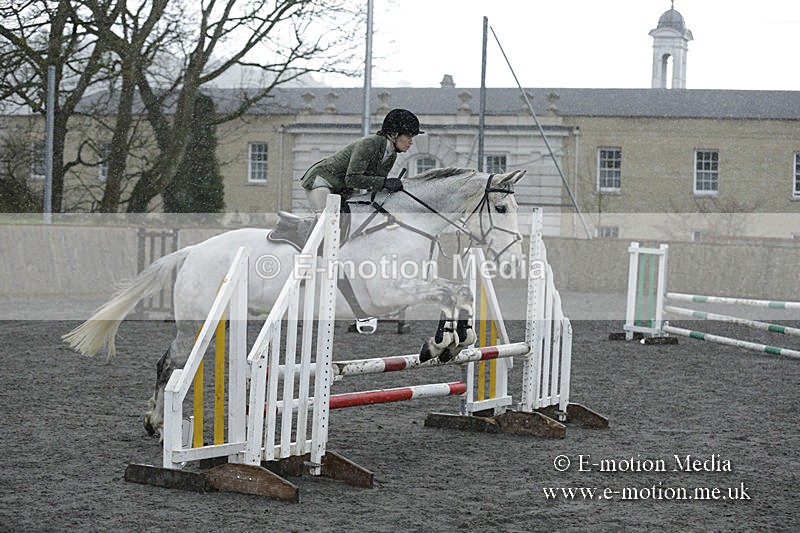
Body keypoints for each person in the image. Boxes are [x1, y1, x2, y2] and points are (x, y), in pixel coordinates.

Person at [300, 108, 423, 211]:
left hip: (342, 189)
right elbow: (352, 179)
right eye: (408, 136)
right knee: (328, 219)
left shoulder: (391, 155)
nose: (411, 142)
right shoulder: (369, 144)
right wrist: (384, 183)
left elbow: (374, 187)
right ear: (394, 134)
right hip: (321, 181)